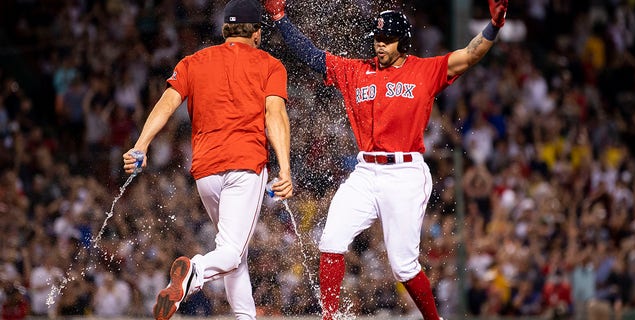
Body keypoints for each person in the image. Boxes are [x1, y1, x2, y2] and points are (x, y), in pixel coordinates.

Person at [263, 0, 508, 319]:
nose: (379, 44)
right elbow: (309, 54)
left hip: (405, 173)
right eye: (377, 39)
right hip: (366, 171)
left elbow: (470, 54)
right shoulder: (355, 70)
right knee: (331, 240)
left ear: (403, 41)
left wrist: (494, 26)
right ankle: (331, 316)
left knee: (403, 266)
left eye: (387, 39)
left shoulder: (425, 69)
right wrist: (280, 17)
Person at [121, 0, 293, 319]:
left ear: (225, 29)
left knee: (234, 253)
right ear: (256, 32)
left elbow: (167, 103)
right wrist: (284, 167)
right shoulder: (270, 64)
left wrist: (141, 146)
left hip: (206, 172)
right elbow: (275, 115)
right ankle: (194, 273)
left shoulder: (194, 61)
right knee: (228, 253)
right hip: (245, 165)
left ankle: (245, 316)